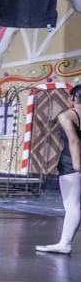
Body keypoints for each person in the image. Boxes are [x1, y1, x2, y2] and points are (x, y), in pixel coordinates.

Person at [35, 86, 81, 253]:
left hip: (71, 164)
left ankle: (65, 244)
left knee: (72, 205)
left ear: (72, 98)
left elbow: (74, 141)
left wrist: (77, 164)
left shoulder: (67, 115)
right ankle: (65, 243)